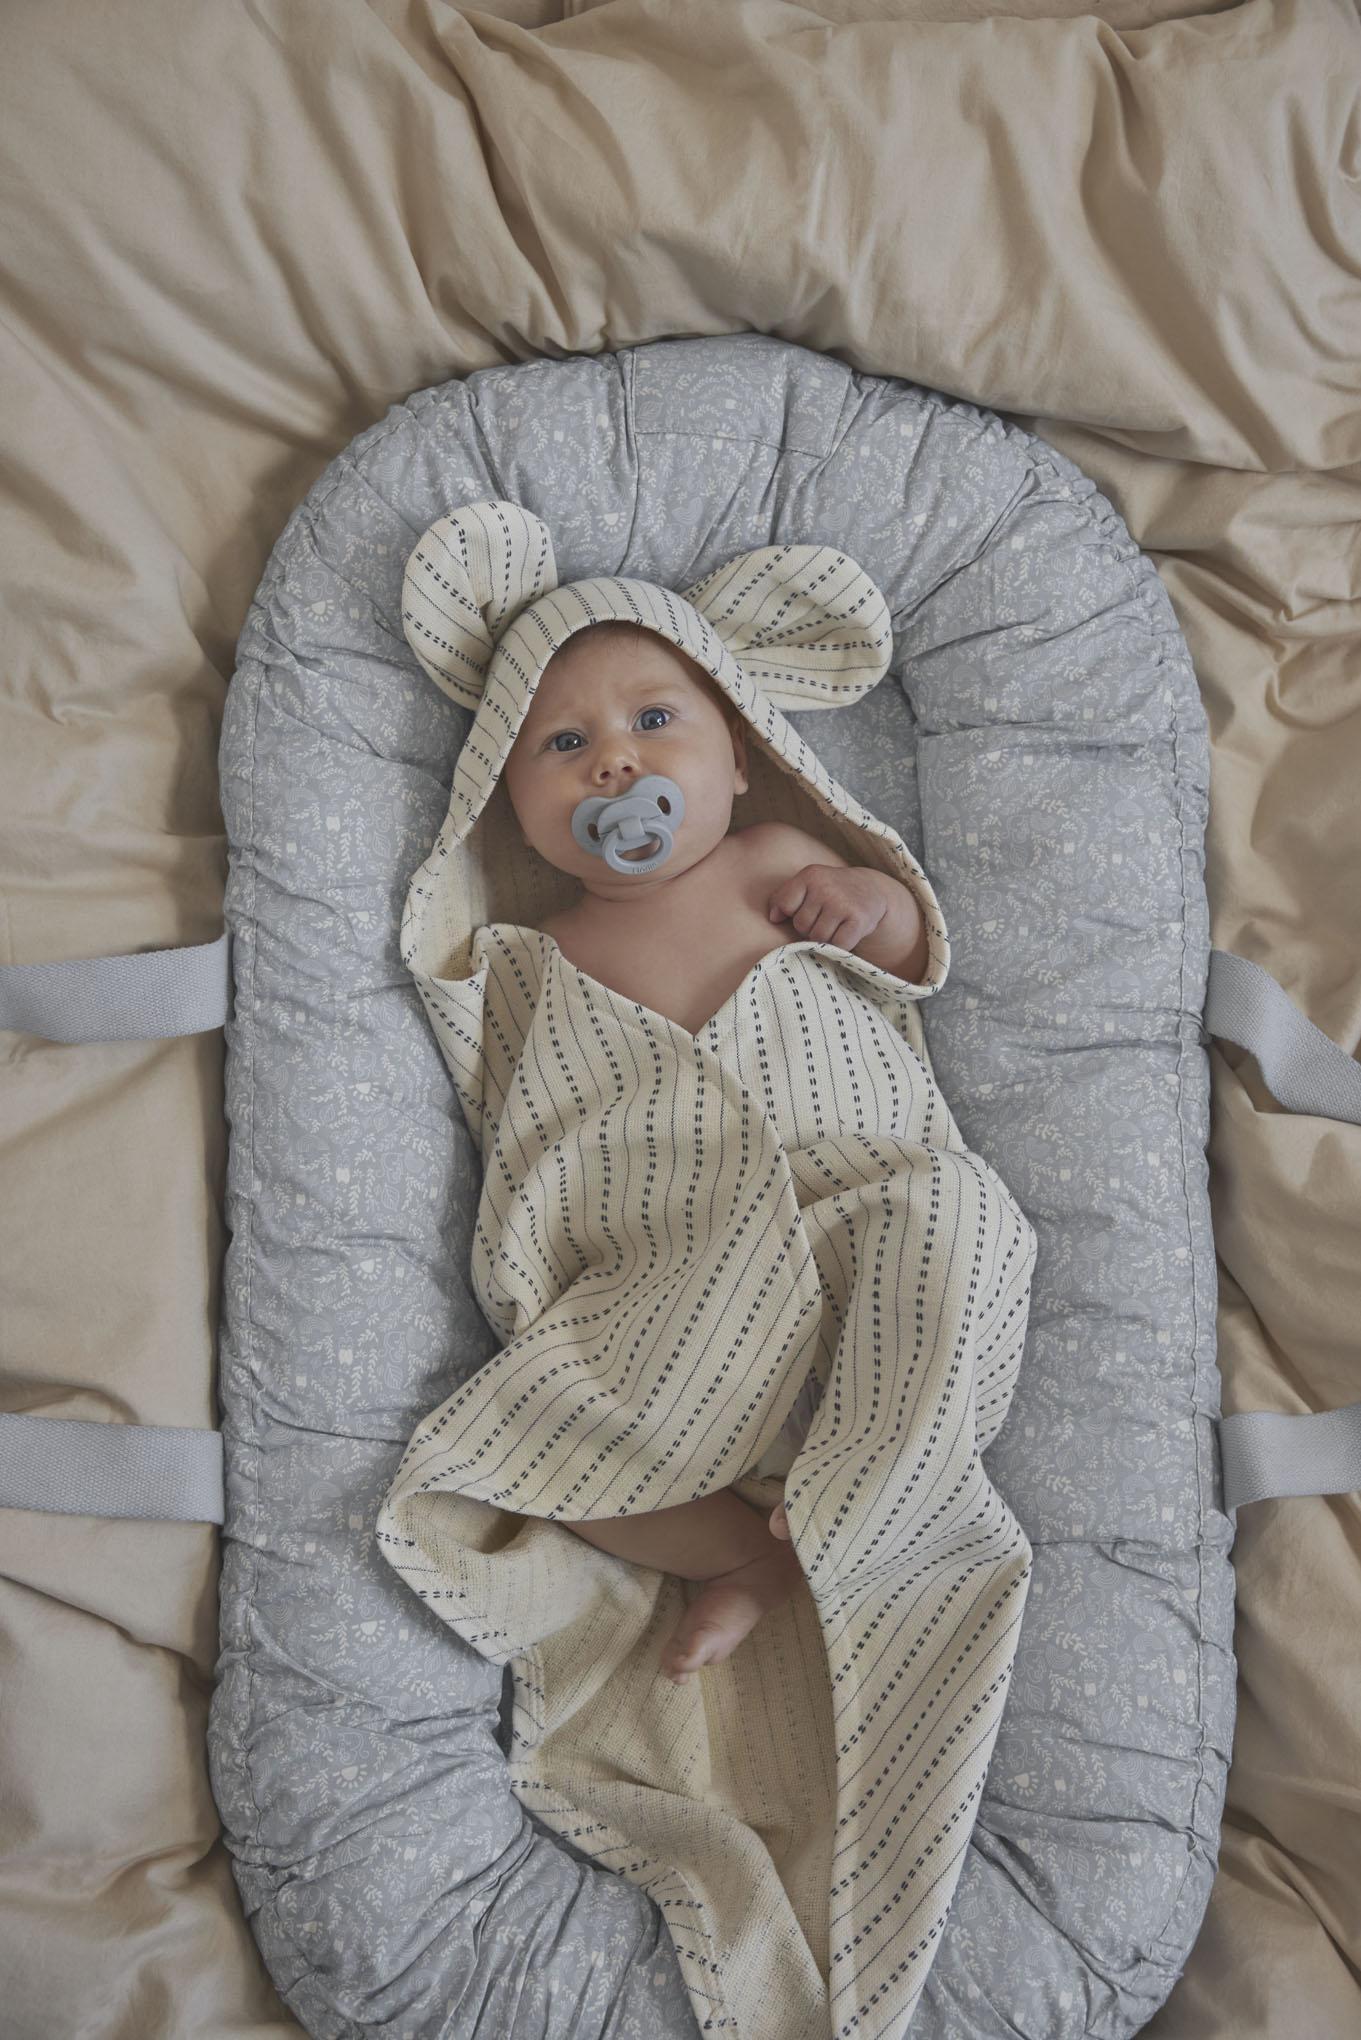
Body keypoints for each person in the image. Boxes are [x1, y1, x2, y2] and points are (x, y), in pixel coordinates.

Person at [499, 616, 932, 1684]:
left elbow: (908, 959)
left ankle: (877, 1481)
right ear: (511, 809)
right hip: (691, 1280)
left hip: (851, 1205)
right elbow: (539, 1133)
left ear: (739, 762)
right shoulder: (541, 958)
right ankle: (745, 1556)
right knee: (541, 1436)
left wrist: (868, 904)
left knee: (953, 1224)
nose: (614, 761)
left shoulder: (774, 861)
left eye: (653, 720)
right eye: (563, 745)